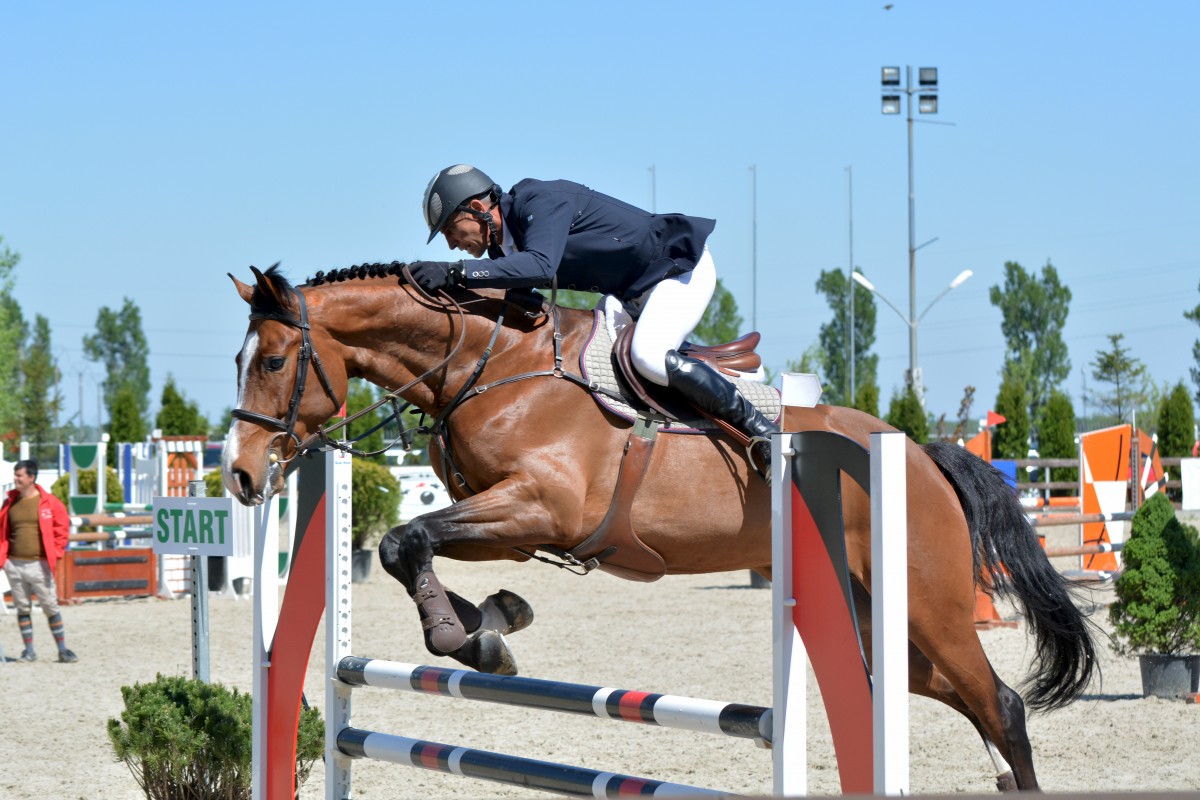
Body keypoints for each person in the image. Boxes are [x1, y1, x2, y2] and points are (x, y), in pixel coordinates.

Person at [414, 164, 776, 480]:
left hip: (676, 271)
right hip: (628, 294)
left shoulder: (538, 200)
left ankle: (761, 434)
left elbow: (540, 265)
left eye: (450, 230)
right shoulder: (501, 250)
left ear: (477, 208)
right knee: (593, 363)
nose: (451, 246)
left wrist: (455, 273)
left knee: (648, 357)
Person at [0, 459, 78, 662]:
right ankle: (29, 651)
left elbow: (62, 528)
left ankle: (62, 649)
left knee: (50, 606)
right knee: (22, 608)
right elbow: (3, 532)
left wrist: (57, 552)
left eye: (19, 476)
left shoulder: (50, 502)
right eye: (16, 475)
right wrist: (4, 559)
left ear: (31, 477)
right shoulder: (9, 503)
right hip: (14, 565)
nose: (15, 479)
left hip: (39, 564)